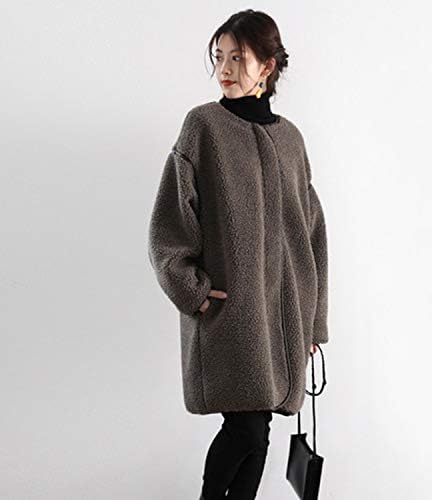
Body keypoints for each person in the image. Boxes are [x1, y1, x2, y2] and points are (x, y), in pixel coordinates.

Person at [148, 9, 329, 500]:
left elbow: (312, 231)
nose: (224, 69)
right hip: (232, 315)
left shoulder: (290, 139)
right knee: (246, 429)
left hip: (284, 319)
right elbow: (168, 226)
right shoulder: (203, 127)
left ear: (267, 66)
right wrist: (193, 292)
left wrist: (314, 321)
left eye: (237, 58)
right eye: (219, 57)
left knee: (259, 431)